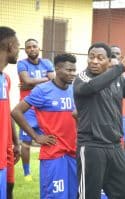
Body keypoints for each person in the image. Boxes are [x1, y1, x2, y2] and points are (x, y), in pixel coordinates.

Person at [74, 42, 125, 199]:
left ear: (108, 61)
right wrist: (122, 66)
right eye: (91, 57)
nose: (94, 61)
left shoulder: (118, 80)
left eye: (100, 58)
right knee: (88, 196)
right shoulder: (82, 78)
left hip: (115, 147)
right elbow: (92, 87)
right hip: (92, 146)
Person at [12, 53, 77, 199]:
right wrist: (36, 136)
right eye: (69, 70)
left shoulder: (75, 89)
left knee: (74, 195)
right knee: (55, 196)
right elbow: (16, 112)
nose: (73, 74)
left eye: (74, 70)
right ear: (57, 69)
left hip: (74, 152)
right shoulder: (42, 90)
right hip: (54, 152)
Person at [17, 38, 55, 181]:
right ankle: (27, 174)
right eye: (28, 47)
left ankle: (49, 169)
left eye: (34, 46)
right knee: (26, 143)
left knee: (50, 139)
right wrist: (45, 80)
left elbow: (54, 80)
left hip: (45, 108)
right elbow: (26, 81)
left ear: (39, 48)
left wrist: (32, 84)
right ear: (25, 50)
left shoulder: (47, 62)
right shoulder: (22, 64)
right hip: (28, 108)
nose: (31, 49)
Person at [0, 26, 19, 199]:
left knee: (8, 189)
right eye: (18, 47)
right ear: (11, 46)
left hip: (6, 152)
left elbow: (7, 112)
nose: (18, 51)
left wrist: (15, 142)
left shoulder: (5, 78)